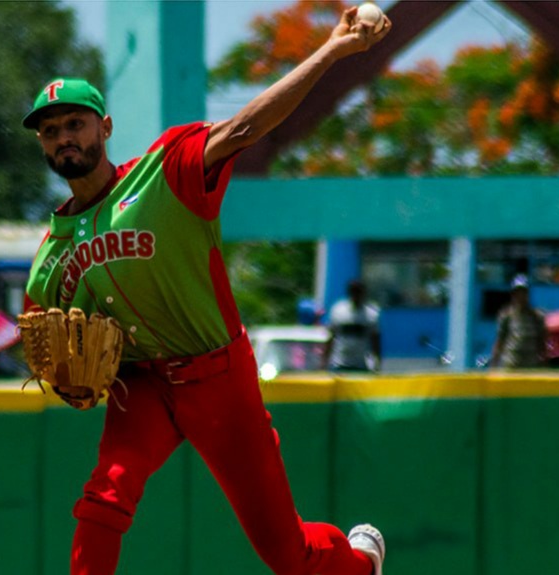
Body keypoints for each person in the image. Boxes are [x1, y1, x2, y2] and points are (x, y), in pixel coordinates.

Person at [20, 7, 392, 575]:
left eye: (75, 123)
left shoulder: (164, 172)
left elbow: (246, 126)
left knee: (288, 555)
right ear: (44, 147)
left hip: (219, 377)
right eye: (51, 131)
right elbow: (47, 348)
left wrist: (334, 49)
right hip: (142, 386)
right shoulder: (50, 256)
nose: (63, 137)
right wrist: (66, 381)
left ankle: (361, 563)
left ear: (105, 128)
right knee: (104, 495)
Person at [323, 279, 382, 372]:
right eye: (353, 291)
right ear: (349, 293)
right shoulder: (338, 310)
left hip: (361, 364)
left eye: (359, 292)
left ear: (364, 293)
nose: (356, 295)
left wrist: (377, 361)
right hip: (339, 364)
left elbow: (375, 340)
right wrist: (324, 361)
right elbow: (331, 337)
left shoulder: (371, 314)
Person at [490, 274, 547, 368]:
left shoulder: (536, 316)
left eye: (523, 292)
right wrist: (493, 366)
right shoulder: (506, 315)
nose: (520, 296)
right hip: (511, 365)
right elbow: (500, 341)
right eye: (518, 292)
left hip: (530, 366)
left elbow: (542, 342)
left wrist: (544, 364)